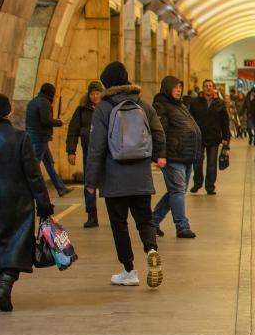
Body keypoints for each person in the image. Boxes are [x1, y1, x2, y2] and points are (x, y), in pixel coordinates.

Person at [0, 94, 55, 311]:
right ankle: (6, 284)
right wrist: (44, 205)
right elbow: (33, 175)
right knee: (17, 245)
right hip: (18, 201)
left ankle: (1, 285)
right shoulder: (21, 138)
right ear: (9, 111)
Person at [84, 61, 167, 288]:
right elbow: (158, 132)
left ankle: (129, 270)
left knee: (119, 224)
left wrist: (91, 181)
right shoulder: (142, 103)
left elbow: (96, 147)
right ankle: (151, 250)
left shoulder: (103, 108)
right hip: (141, 177)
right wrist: (159, 156)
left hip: (114, 179)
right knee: (145, 219)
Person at [150, 75, 201, 239]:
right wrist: (161, 155)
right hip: (173, 156)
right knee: (178, 191)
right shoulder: (161, 106)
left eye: (180, 87)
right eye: (175, 87)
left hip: (185, 156)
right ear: (167, 88)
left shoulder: (180, 105)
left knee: (176, 191)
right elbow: (160, 132)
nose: (179, 90)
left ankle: (152, 222)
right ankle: (182, 226)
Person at [64, 80, 104, 228]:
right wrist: (71, 151)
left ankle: (116, 213)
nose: (95, 96)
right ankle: (91, 215)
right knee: (89, 184)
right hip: (89, 153)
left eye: (97, 93)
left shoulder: (106, 108)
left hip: (106, 152)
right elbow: (73, 131)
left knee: (109, 183)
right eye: (92, 94)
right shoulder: (81, 110)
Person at [24, 82, 71, 197]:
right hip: (40, 138)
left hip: (34, 137)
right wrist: (60, 122)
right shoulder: (44, 102)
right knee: (34, 166)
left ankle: (61, 188)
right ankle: (26, 190)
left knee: (49, 164)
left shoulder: (33, 102)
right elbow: (46, 120)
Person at [189, 78, 230, 195]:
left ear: (213, 88)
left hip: (214, 138)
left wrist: (226, 137)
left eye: (210, 86)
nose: (208, 88)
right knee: (197, 163)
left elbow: (225, 121)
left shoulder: (220, 103)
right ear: (203, 88)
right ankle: (198, 183)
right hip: (199, 138)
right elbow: (190, 119)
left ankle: (210, 186)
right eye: (206, 86)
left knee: (212, 164)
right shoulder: (195, 102)